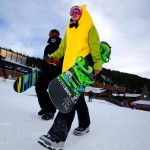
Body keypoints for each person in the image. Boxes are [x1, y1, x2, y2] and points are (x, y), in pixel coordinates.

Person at [38, 5, 102, 149]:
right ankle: (85, 124)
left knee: (68, 100)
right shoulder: (69, 29)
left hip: (82, 69)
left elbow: (95, 45)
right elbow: (63, 48)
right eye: (72, 12)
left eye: (77, 11)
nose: (74, 14)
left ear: (82, 14)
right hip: (68, 69)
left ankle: (57, 137)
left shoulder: (89, 26)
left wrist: (97, 63)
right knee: (78, 99)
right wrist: (54, 56)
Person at [35, 29, 63, 120]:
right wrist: (42, 70)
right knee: (39, 88)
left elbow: (62, 59)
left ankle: (51, 111)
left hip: (55, 73)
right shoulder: (47, 47)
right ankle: (44, 107)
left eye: (54, 33)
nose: (52, 35)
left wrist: (57, 66)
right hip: (45, 72)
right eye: (51, 34)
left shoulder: (61, 45)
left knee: (51, 92)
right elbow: (45, 59)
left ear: (58, 35)